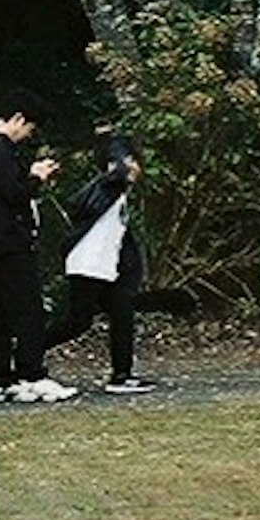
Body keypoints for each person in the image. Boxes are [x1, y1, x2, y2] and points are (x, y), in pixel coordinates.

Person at [0, 91, 75, 405]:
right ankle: (33, 375)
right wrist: (36, 177)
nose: (28, 135)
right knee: (30, 309)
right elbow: (15, 194)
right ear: (17, 119)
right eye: (29, 128)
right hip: (10, 241)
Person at [37, 128, 159, 394]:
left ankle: (121, 375)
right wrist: (118, 153)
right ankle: (26, 352)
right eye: (133, 162)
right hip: (89, 263)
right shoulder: (108, 187)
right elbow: (116, 166)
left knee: (122, 312)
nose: (137, 169)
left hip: (105, 265)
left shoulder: (118, 195)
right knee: (78, 321)